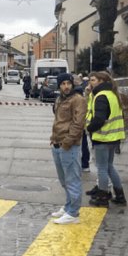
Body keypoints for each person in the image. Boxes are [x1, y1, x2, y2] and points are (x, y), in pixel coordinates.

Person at [49, 73, 87, 224]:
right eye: (63, 83)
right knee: (64, 180)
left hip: (68, 145)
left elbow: (78, 124)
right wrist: (54, 139)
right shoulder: (60, 99)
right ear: (59, 85)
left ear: (72, 84)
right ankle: (68, 206)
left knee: (72, 179)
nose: (66, 86)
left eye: (68, 83)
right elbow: (59, 120)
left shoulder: (78, 100)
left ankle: (73, 213)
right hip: (57, 143)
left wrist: (68, 141)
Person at [84, 71, 127, 206]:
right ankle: (119, 195)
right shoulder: (112, 94)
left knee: (102, 168)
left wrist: (89, 128)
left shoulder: (101, 96)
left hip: (103, 137)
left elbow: (99, 119)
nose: (91, 82)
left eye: (93, 80)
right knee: (109, 167)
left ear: (101, 81)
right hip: (113, 137)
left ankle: (103, 197)